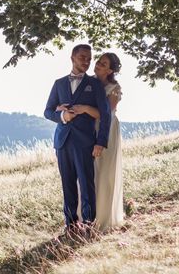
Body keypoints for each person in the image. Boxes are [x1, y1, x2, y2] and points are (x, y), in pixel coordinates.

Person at [43, 44, 111, 232]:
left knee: (86, 185)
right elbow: (48, 111)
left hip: (85, 142)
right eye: (82, 57)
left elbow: (106, 115)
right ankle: (70, 226)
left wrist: (100, 141)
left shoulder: (95, 84)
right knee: (68, 185)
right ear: (72, 58)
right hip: (62, 142)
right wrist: (63, 117)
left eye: (89, 58)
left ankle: (89, 225)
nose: (87, 61)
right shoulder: (59, 84)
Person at [69, 52, 124, 231]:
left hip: (106, 131)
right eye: (99, 61)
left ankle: (103, 218)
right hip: (87, 129)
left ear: (110, 70)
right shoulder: (87, 82)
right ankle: (85, 217)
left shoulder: (114, 88)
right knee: (87, 173)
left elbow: (105, 113)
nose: (98, 64)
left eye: (103, 63)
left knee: (103, 171)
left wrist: (84, 108)